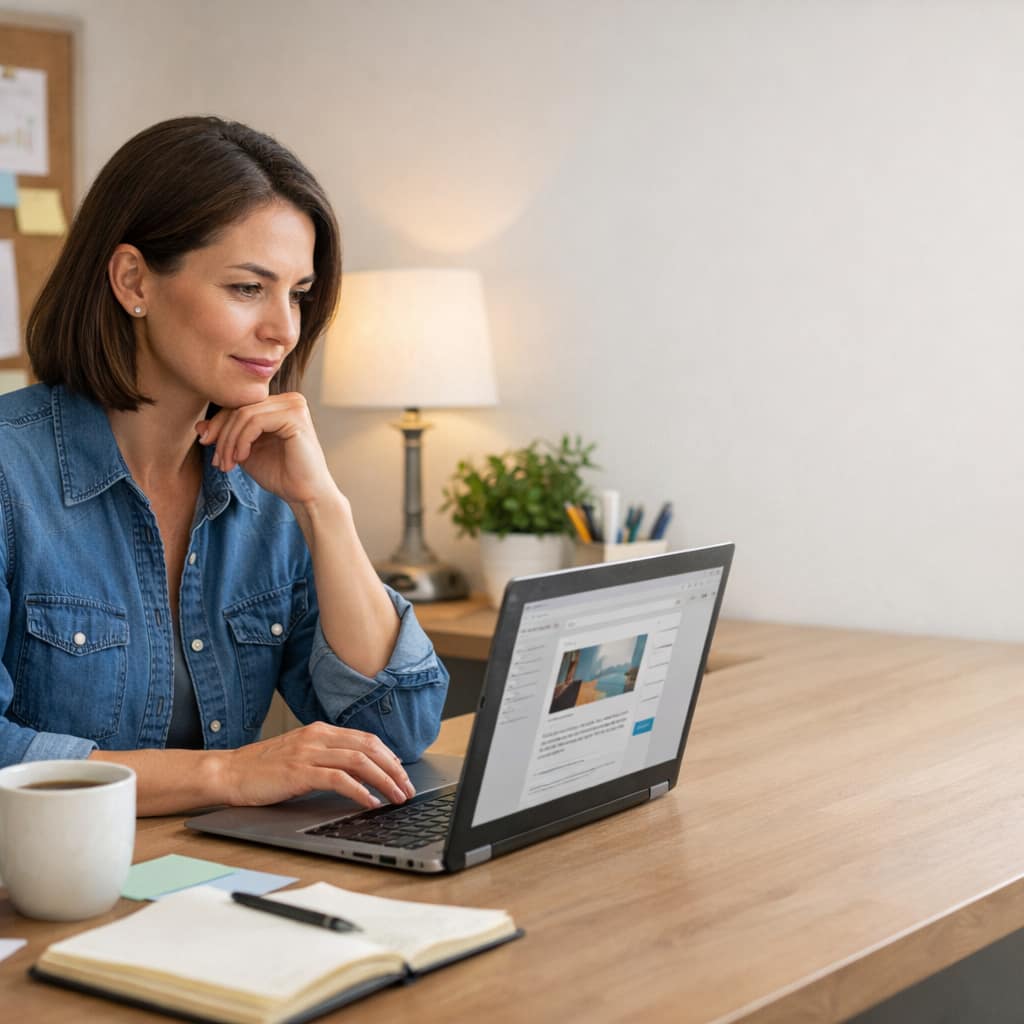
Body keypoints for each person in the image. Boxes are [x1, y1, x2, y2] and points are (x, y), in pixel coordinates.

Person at [0, 116, 449, 815]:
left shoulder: (266, 488)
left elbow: (395, 731)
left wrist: (324, 508)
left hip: (206, 883)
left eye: (297, 293)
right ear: (132, 280)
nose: (285, 328)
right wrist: (227, 775)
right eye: (247, 288)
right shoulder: (9, 475)